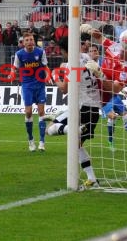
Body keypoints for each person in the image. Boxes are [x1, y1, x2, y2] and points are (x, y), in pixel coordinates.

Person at [47, 36, 120, 188]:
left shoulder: (70, 65)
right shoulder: (87, 58)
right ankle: (92, 178)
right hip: (95, 108)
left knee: (50, 129)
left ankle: (74, 129)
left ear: (64, 50)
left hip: (81, 107)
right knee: (77, 144)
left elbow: (64, 89)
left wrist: (54, 77)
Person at [89, 26, 127, 153]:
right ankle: (110, 142)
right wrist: (91, 30)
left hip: (110, 92)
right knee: (112, 117)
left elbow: (114, 89)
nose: (121, 50)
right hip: (97, 93)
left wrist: (100, 74)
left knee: (125, 115)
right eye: (122, 46)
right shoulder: (115, 46)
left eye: (125, 49)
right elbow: (100, 37)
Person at [13, 33, 49, 152]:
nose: (29, 42)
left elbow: (45, 67)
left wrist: (48, 76)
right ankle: (30, 140)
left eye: (31, 40)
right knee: (28, 112)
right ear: (23, 42)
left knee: (41, 111)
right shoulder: (19, 54)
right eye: (27, 40)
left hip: (40, 85)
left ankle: (42, 142)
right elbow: (15, 68)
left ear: (34, 41)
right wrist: (12, 74)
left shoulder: (40, 52)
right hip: (27, 86)